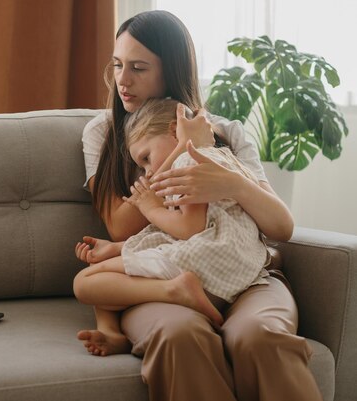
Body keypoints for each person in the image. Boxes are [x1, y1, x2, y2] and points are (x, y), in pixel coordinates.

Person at [77, 10, 323, 401]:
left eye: (138, 68)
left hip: (243, 275)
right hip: (165, 280)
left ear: (171, 70)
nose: (123, 81)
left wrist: (229, 181)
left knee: (261, 336)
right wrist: (176, 154)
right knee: (180, 336)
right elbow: (121, 228)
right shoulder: (104, 133)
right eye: (118, 65)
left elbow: (281, 227)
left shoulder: (226, 132)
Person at [74, 97, 270, 353]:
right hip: (225, 258)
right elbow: (173, 233)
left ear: (172, 130)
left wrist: (150, 208)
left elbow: (189, 228)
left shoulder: (188, 163)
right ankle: (113, 332)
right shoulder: (217, 157)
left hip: (209, 260)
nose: (146, 172)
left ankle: (174, 291)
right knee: (106, 270)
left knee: (86, 281)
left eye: (146, 158)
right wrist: (116, 248)